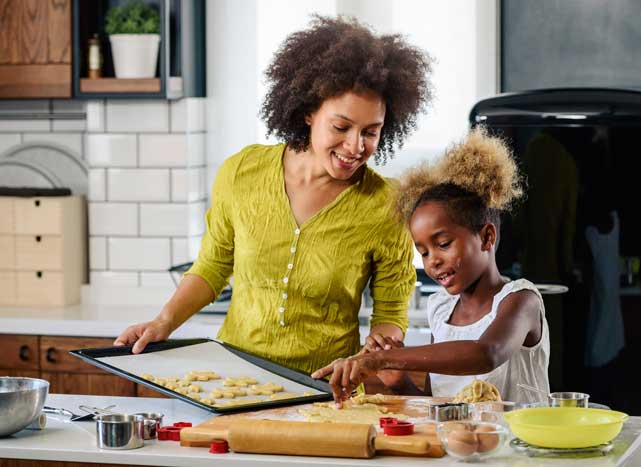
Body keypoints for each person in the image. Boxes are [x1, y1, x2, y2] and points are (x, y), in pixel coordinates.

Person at [113, 15, 432, 376]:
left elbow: (390, 314)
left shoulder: (386, 203)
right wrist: (164, 323)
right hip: (236, 380)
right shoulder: (242, 171)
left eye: (371, 132)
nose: (355, 146)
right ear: (309, 111)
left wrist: (379, 349)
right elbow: (214, 266)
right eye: (341, 127)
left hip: (324, 393)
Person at [312, 127, 550, 403]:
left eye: (444, 244)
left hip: (518, 445)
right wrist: (399, 382)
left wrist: (384, 358)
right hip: (458, 446)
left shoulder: (521, 300)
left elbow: (486, 354)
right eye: (423, 252)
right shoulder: (440, 309)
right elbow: (438, 403)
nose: (432, 261)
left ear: (487, 237)